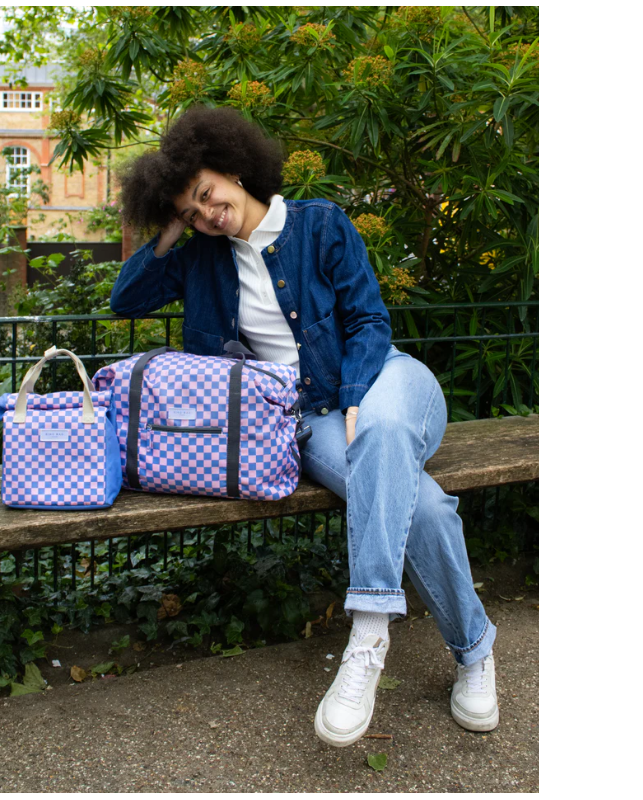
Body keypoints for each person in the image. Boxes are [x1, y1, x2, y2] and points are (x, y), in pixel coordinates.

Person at [110, 106, 499, 746]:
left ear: (234, 170)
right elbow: (125, 299)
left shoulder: (320, 224)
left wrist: (355, 395)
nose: (207, 213)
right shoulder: (200, 256)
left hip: (385, 381)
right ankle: (475, 652)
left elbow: (370, 321)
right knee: (424, 508)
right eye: (190, 211)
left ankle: (367, 636)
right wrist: (170, 228)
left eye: (206, 193)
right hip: (302, 421)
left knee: (382, 429)